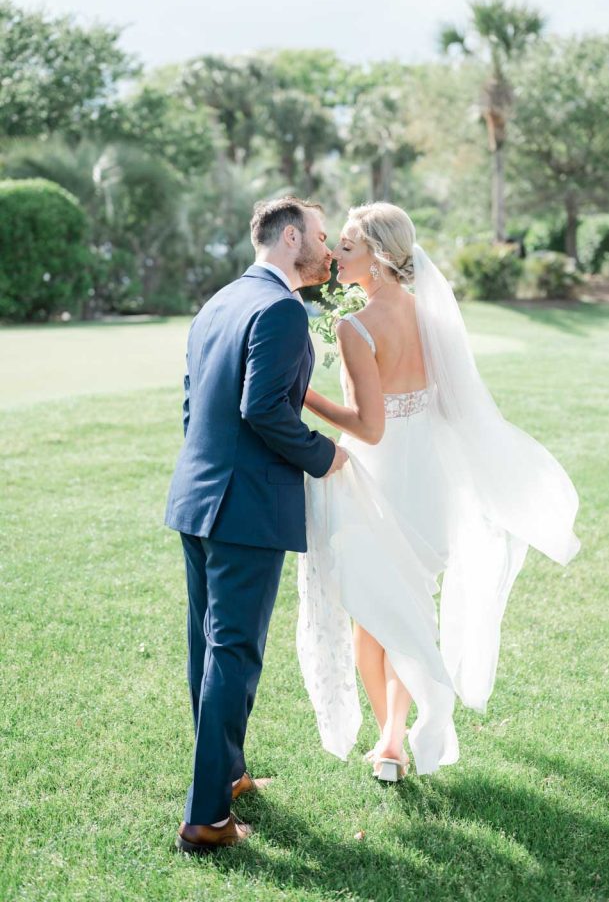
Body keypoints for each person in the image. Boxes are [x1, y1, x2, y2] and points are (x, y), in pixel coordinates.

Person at [297, 202, 580, 782]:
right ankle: (393, 741)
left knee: (371, 615)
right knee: (408, 609)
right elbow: (451, 405)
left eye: (347, 245)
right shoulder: (432, 315)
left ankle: (393, 741)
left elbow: (369, 426)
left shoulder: (355, 327)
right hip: (428, 477)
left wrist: (303, 397)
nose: (336, 255)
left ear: (375, 255)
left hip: (380, 474)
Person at [165, 196, 348, 851]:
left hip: (198, 498)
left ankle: (230, 772)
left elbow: (195, 405)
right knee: (232, 655)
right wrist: (325, 455)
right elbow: (264, 409)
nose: (329, 250)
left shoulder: (218, 301)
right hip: (243, 511)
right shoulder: (278, 309)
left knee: (208, 651)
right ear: (291, 236)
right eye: (323, 236)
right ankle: (206, 819)